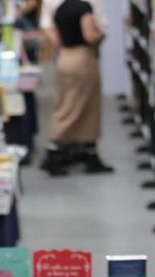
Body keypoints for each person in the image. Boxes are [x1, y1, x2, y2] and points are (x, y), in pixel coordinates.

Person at [40, 0, 113, 175]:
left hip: (65, 56)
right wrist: (100, 35)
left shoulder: (60, 8)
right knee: (75, 107)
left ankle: (87, 152)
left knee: (73, 104)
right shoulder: (84, 8)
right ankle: (54, 151)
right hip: (82, 59)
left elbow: (48, 28)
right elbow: (90, 36)